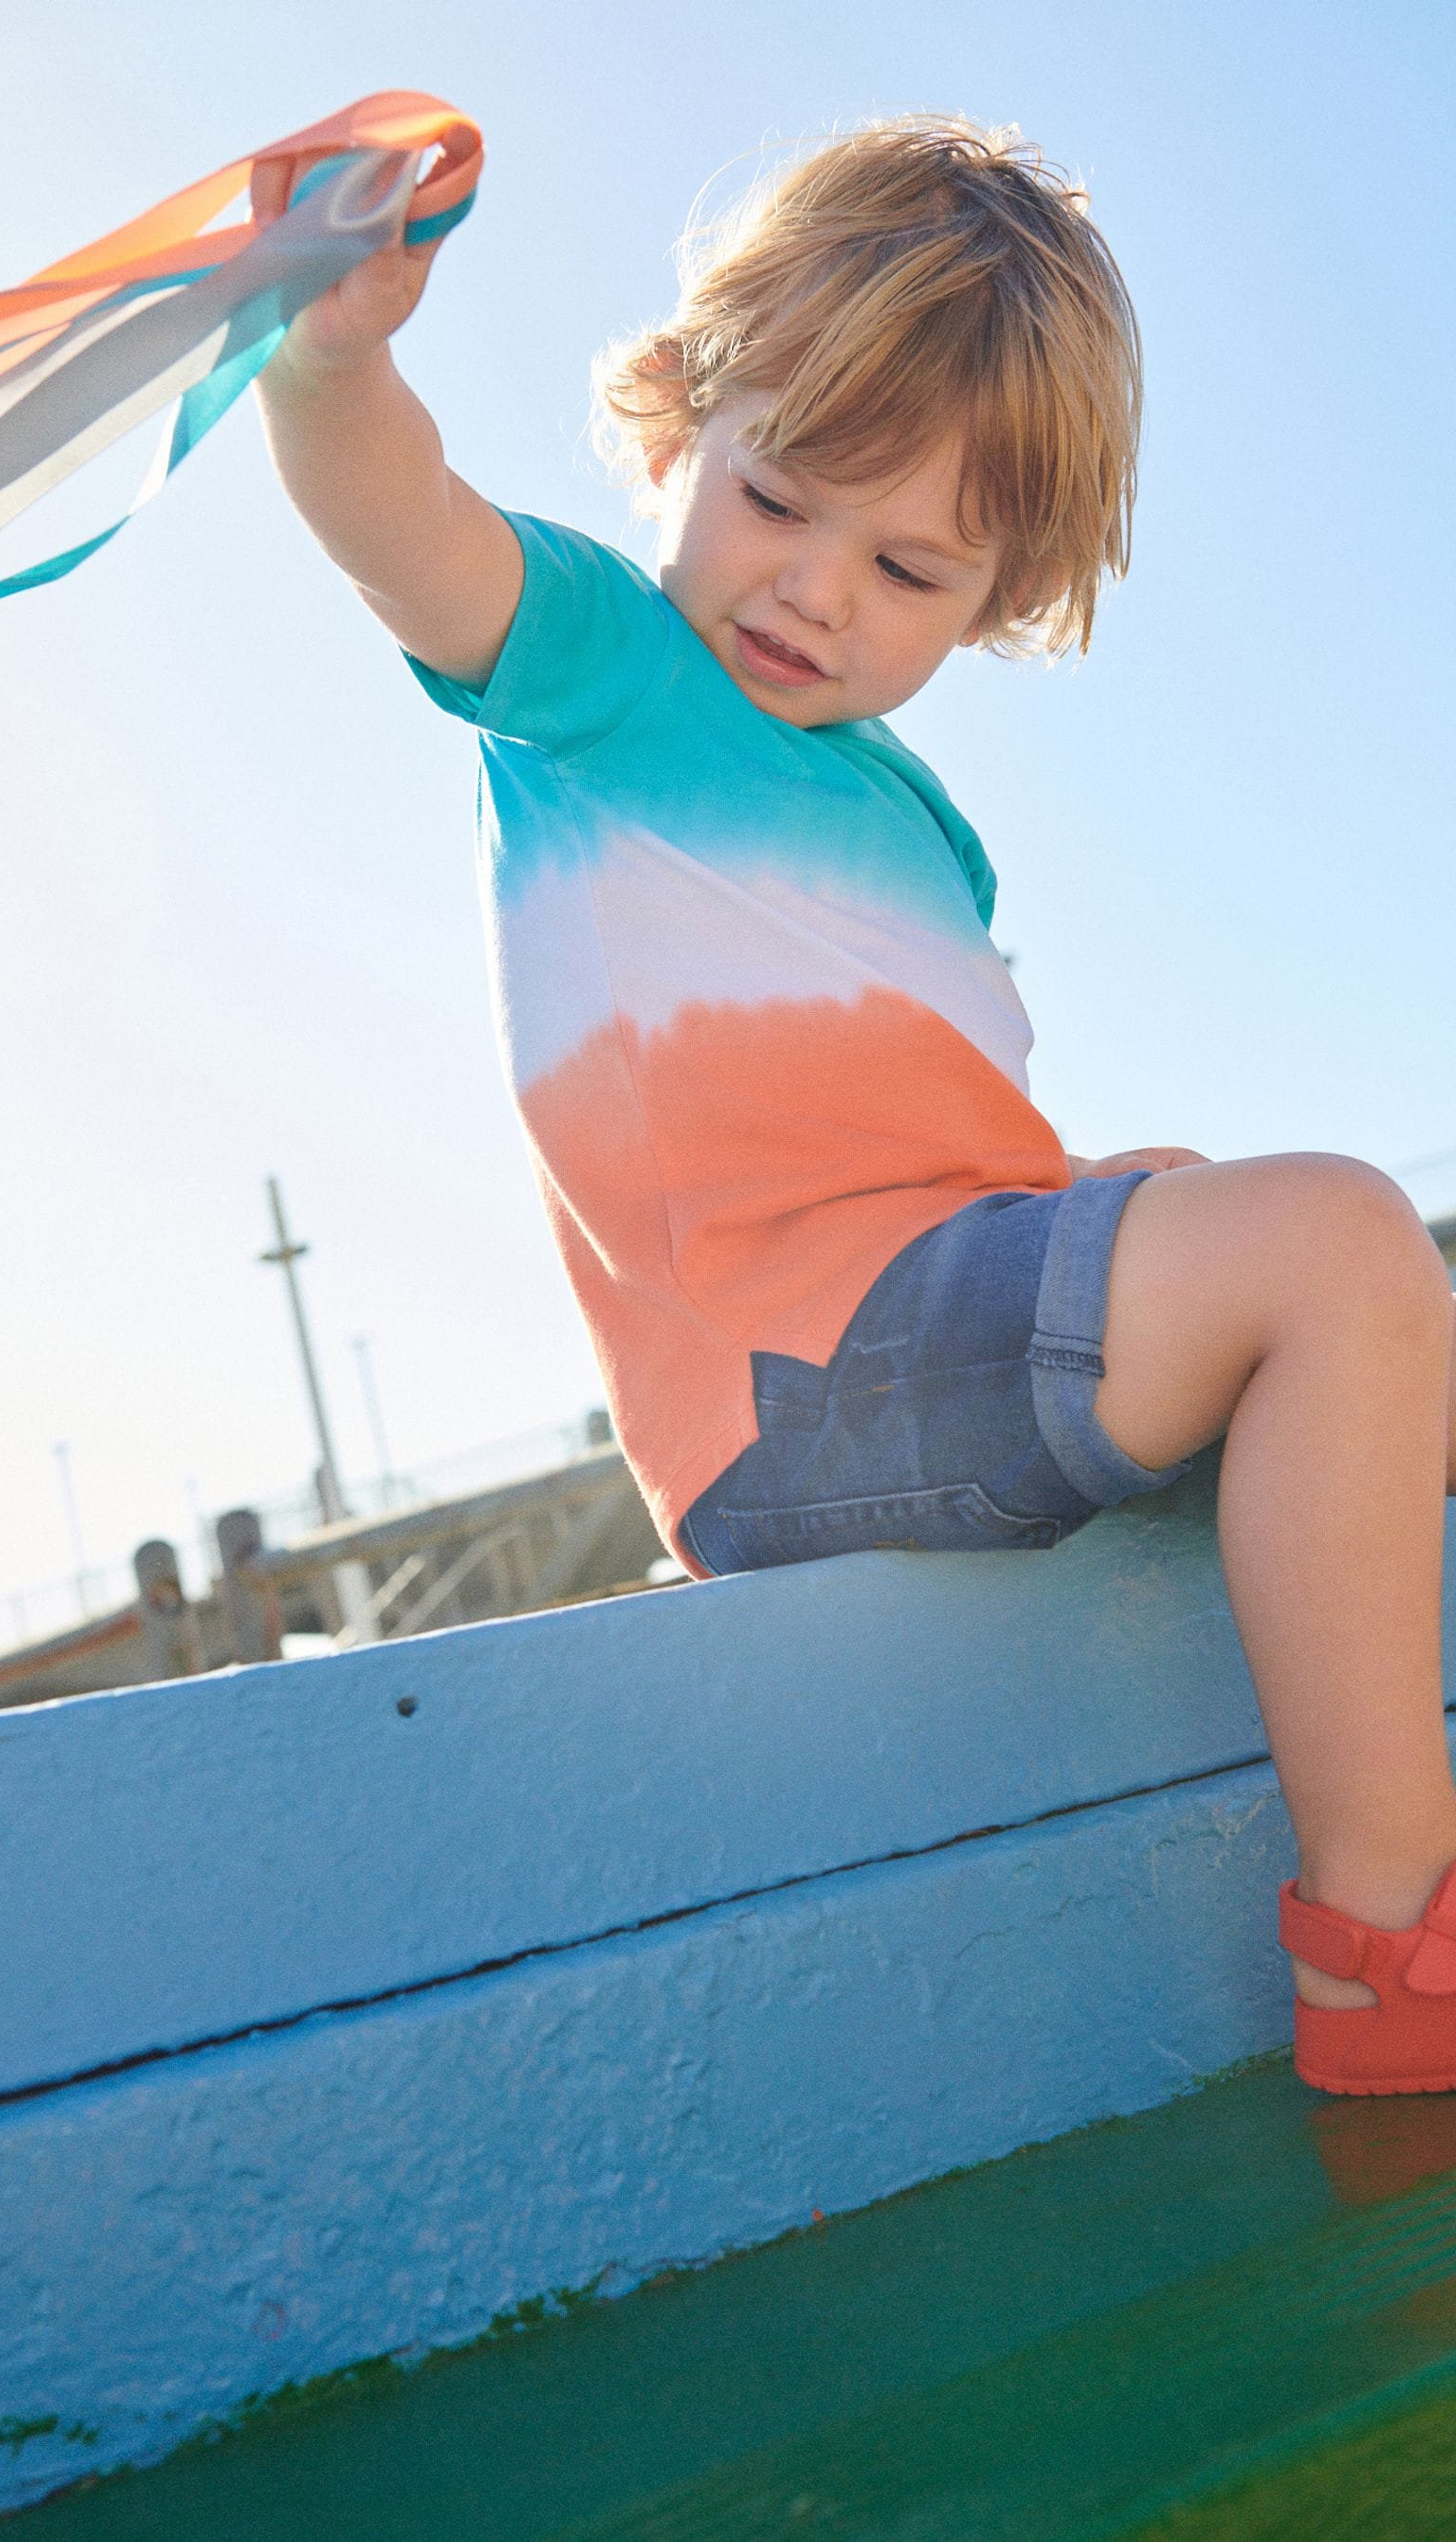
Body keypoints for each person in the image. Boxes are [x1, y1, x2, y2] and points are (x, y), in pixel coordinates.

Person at [254, 117, 1456, 2096]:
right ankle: (1389, 1939)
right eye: (778, 498)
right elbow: (400, 522)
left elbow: (893, 1155)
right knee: (1335, 1240)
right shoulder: (603, 666)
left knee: (1334, 1292)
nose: (813, 591)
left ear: (997, 599)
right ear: (679, 433)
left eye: (906, 569)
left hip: (904, 1317)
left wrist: (1080, 1189)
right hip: (794, 1387)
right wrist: (329, 354)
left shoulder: (920, 833)